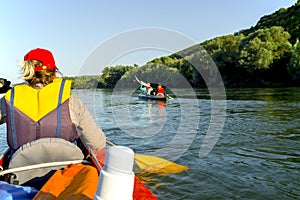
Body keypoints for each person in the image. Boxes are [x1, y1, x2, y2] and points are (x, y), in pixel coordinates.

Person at [0, 48, 106, 151]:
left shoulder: (9, 100)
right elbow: (98, 144)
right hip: (66, 163)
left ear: (27, 74)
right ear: (54, 72)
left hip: (21, 164)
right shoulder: (72, 101)